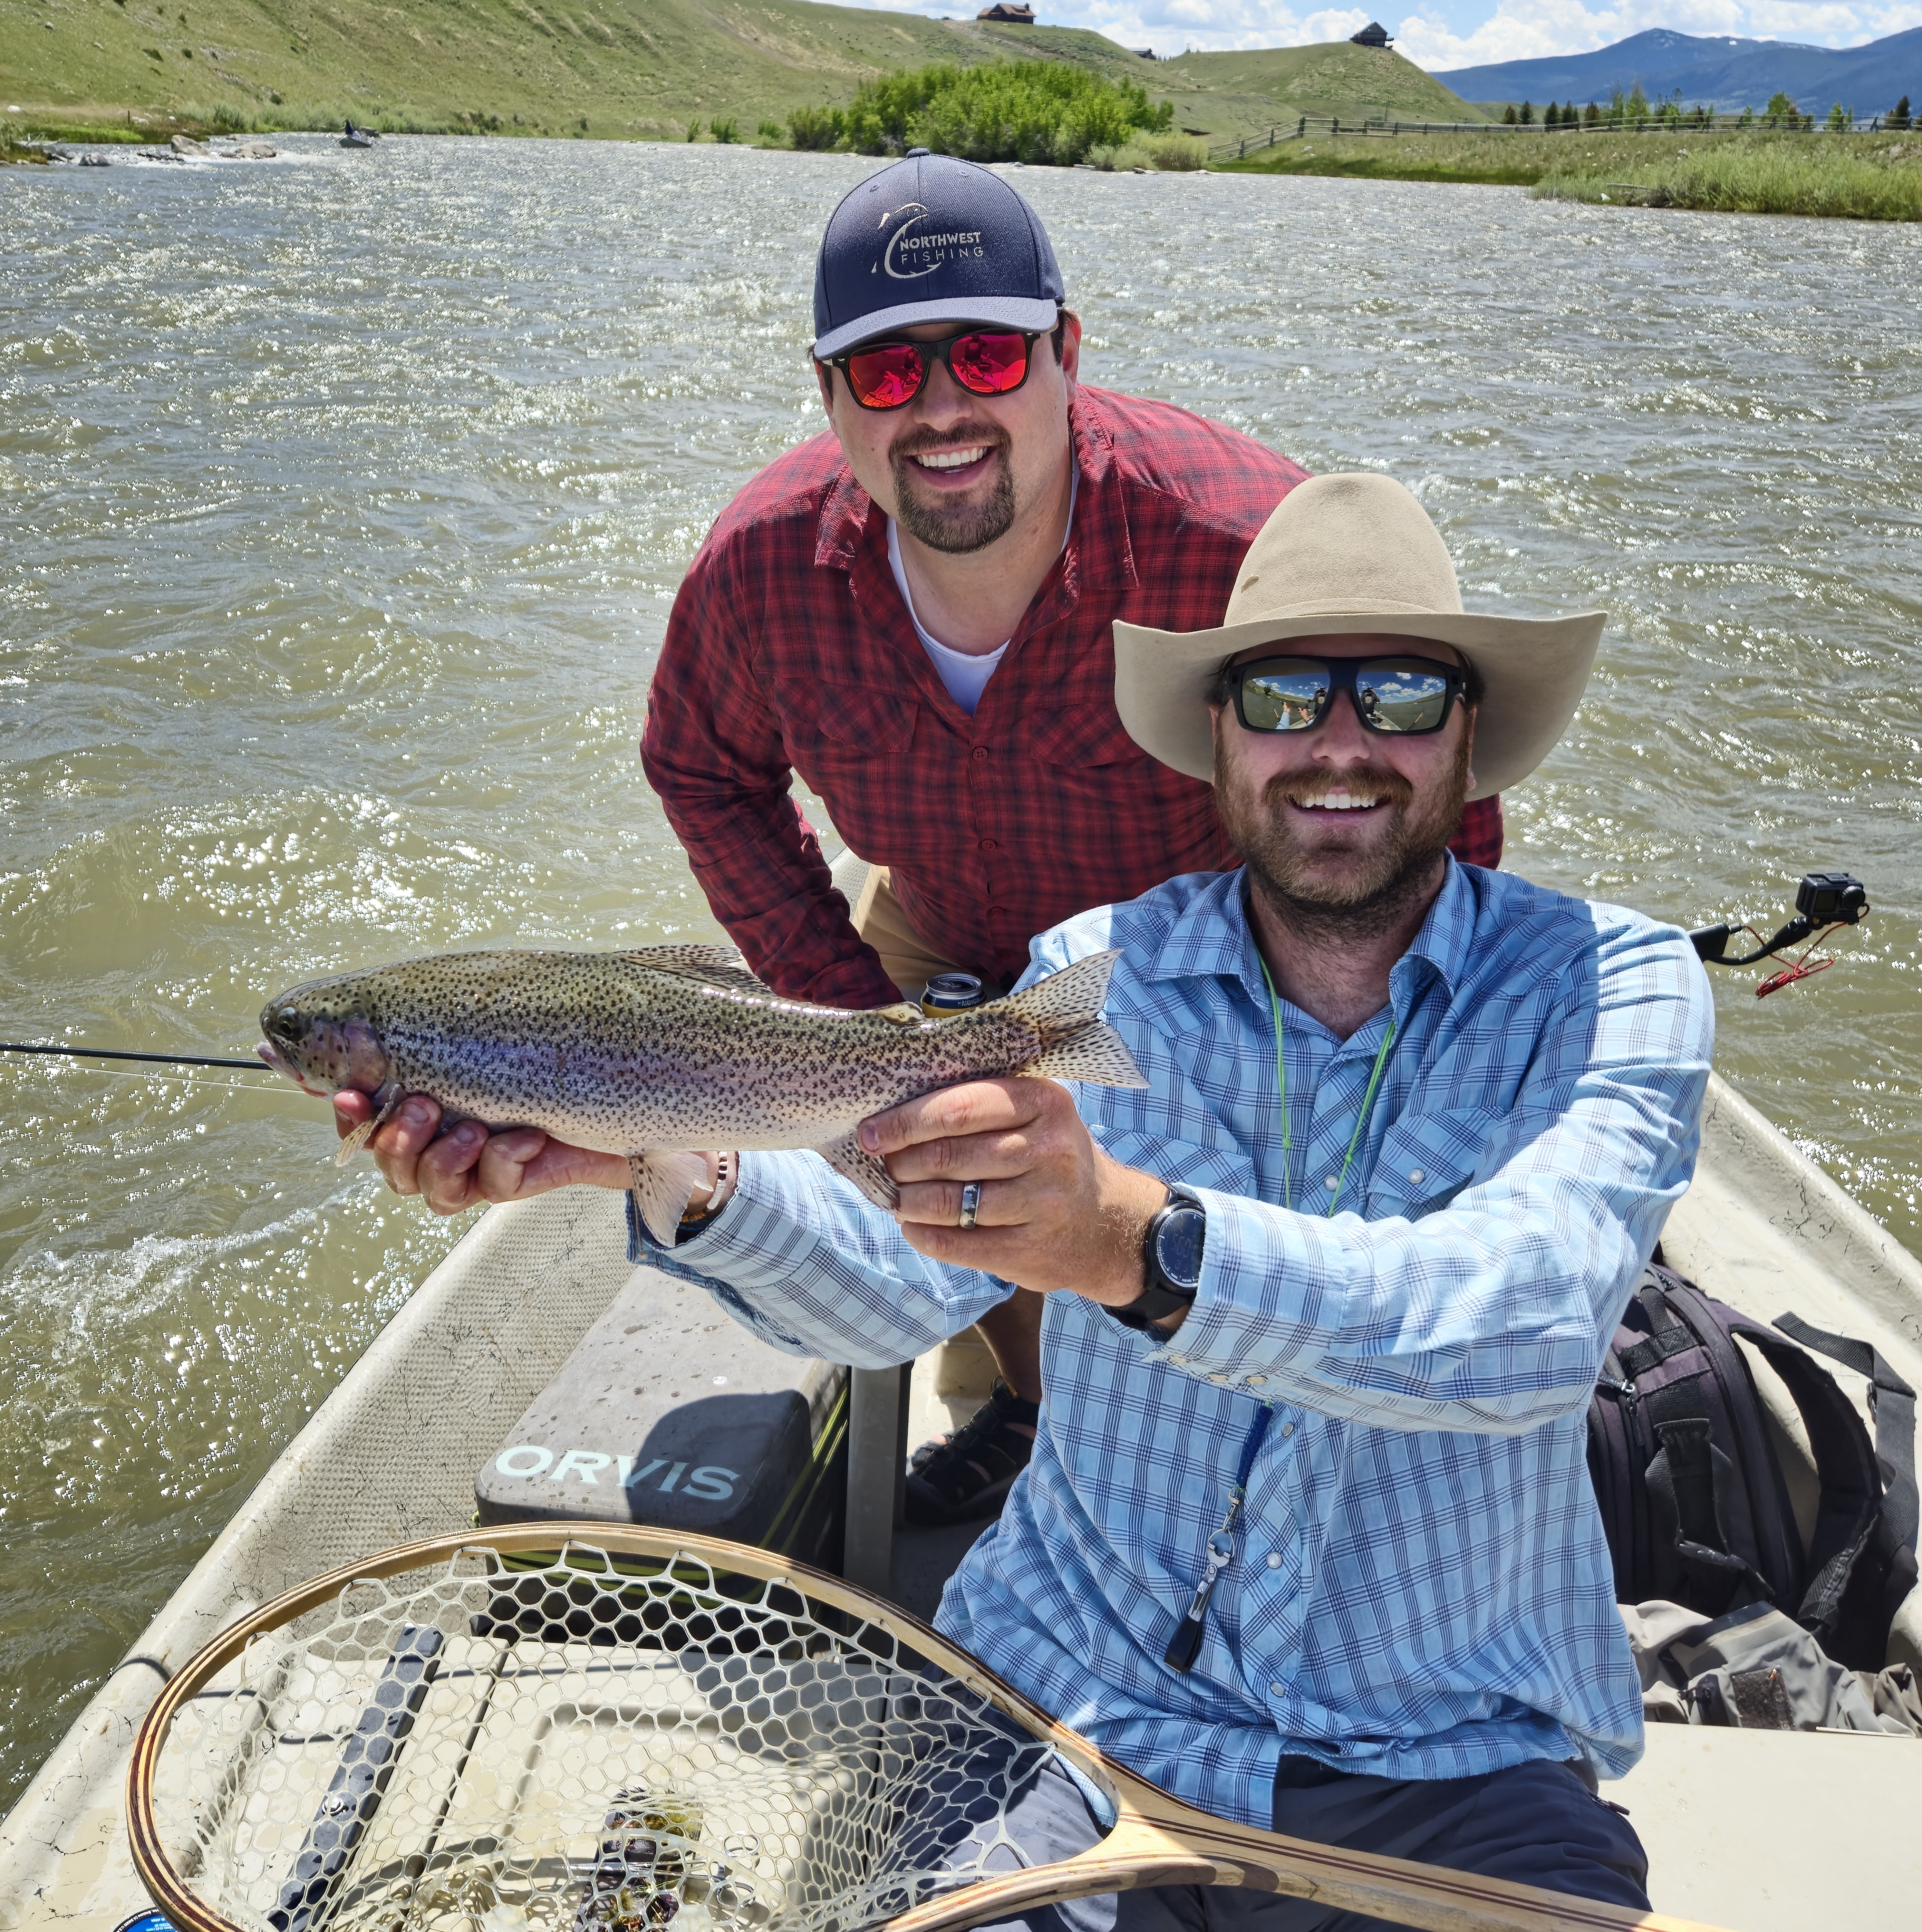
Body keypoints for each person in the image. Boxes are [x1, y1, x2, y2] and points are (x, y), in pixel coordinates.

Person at [341, 470, 1710, 1921]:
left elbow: (1536, 1322)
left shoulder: (1610, 985)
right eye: (1284, 695)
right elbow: (898, 1290)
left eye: (1398, 696)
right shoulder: (1089, 974)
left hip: (1443, 1755)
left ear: (1469, 733)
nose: (1338, 745)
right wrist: (659, 1157)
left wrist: (1136, 1242)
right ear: (1215, 737)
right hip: (1065, 1708)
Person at [635, 148, 1501, 1523]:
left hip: (1191, 939)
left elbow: (1434, 800)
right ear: (828, 395)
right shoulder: (757, 569)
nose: (936, 411)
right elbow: (696, 765)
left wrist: (1357, 1058)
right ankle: (1037, 1401)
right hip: (937, 917)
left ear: (1064, 354)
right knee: (929, 1175)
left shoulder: (1231, 540)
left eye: (982, 358)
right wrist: (859, 1028)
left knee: (1181, 1224)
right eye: (882, 372)